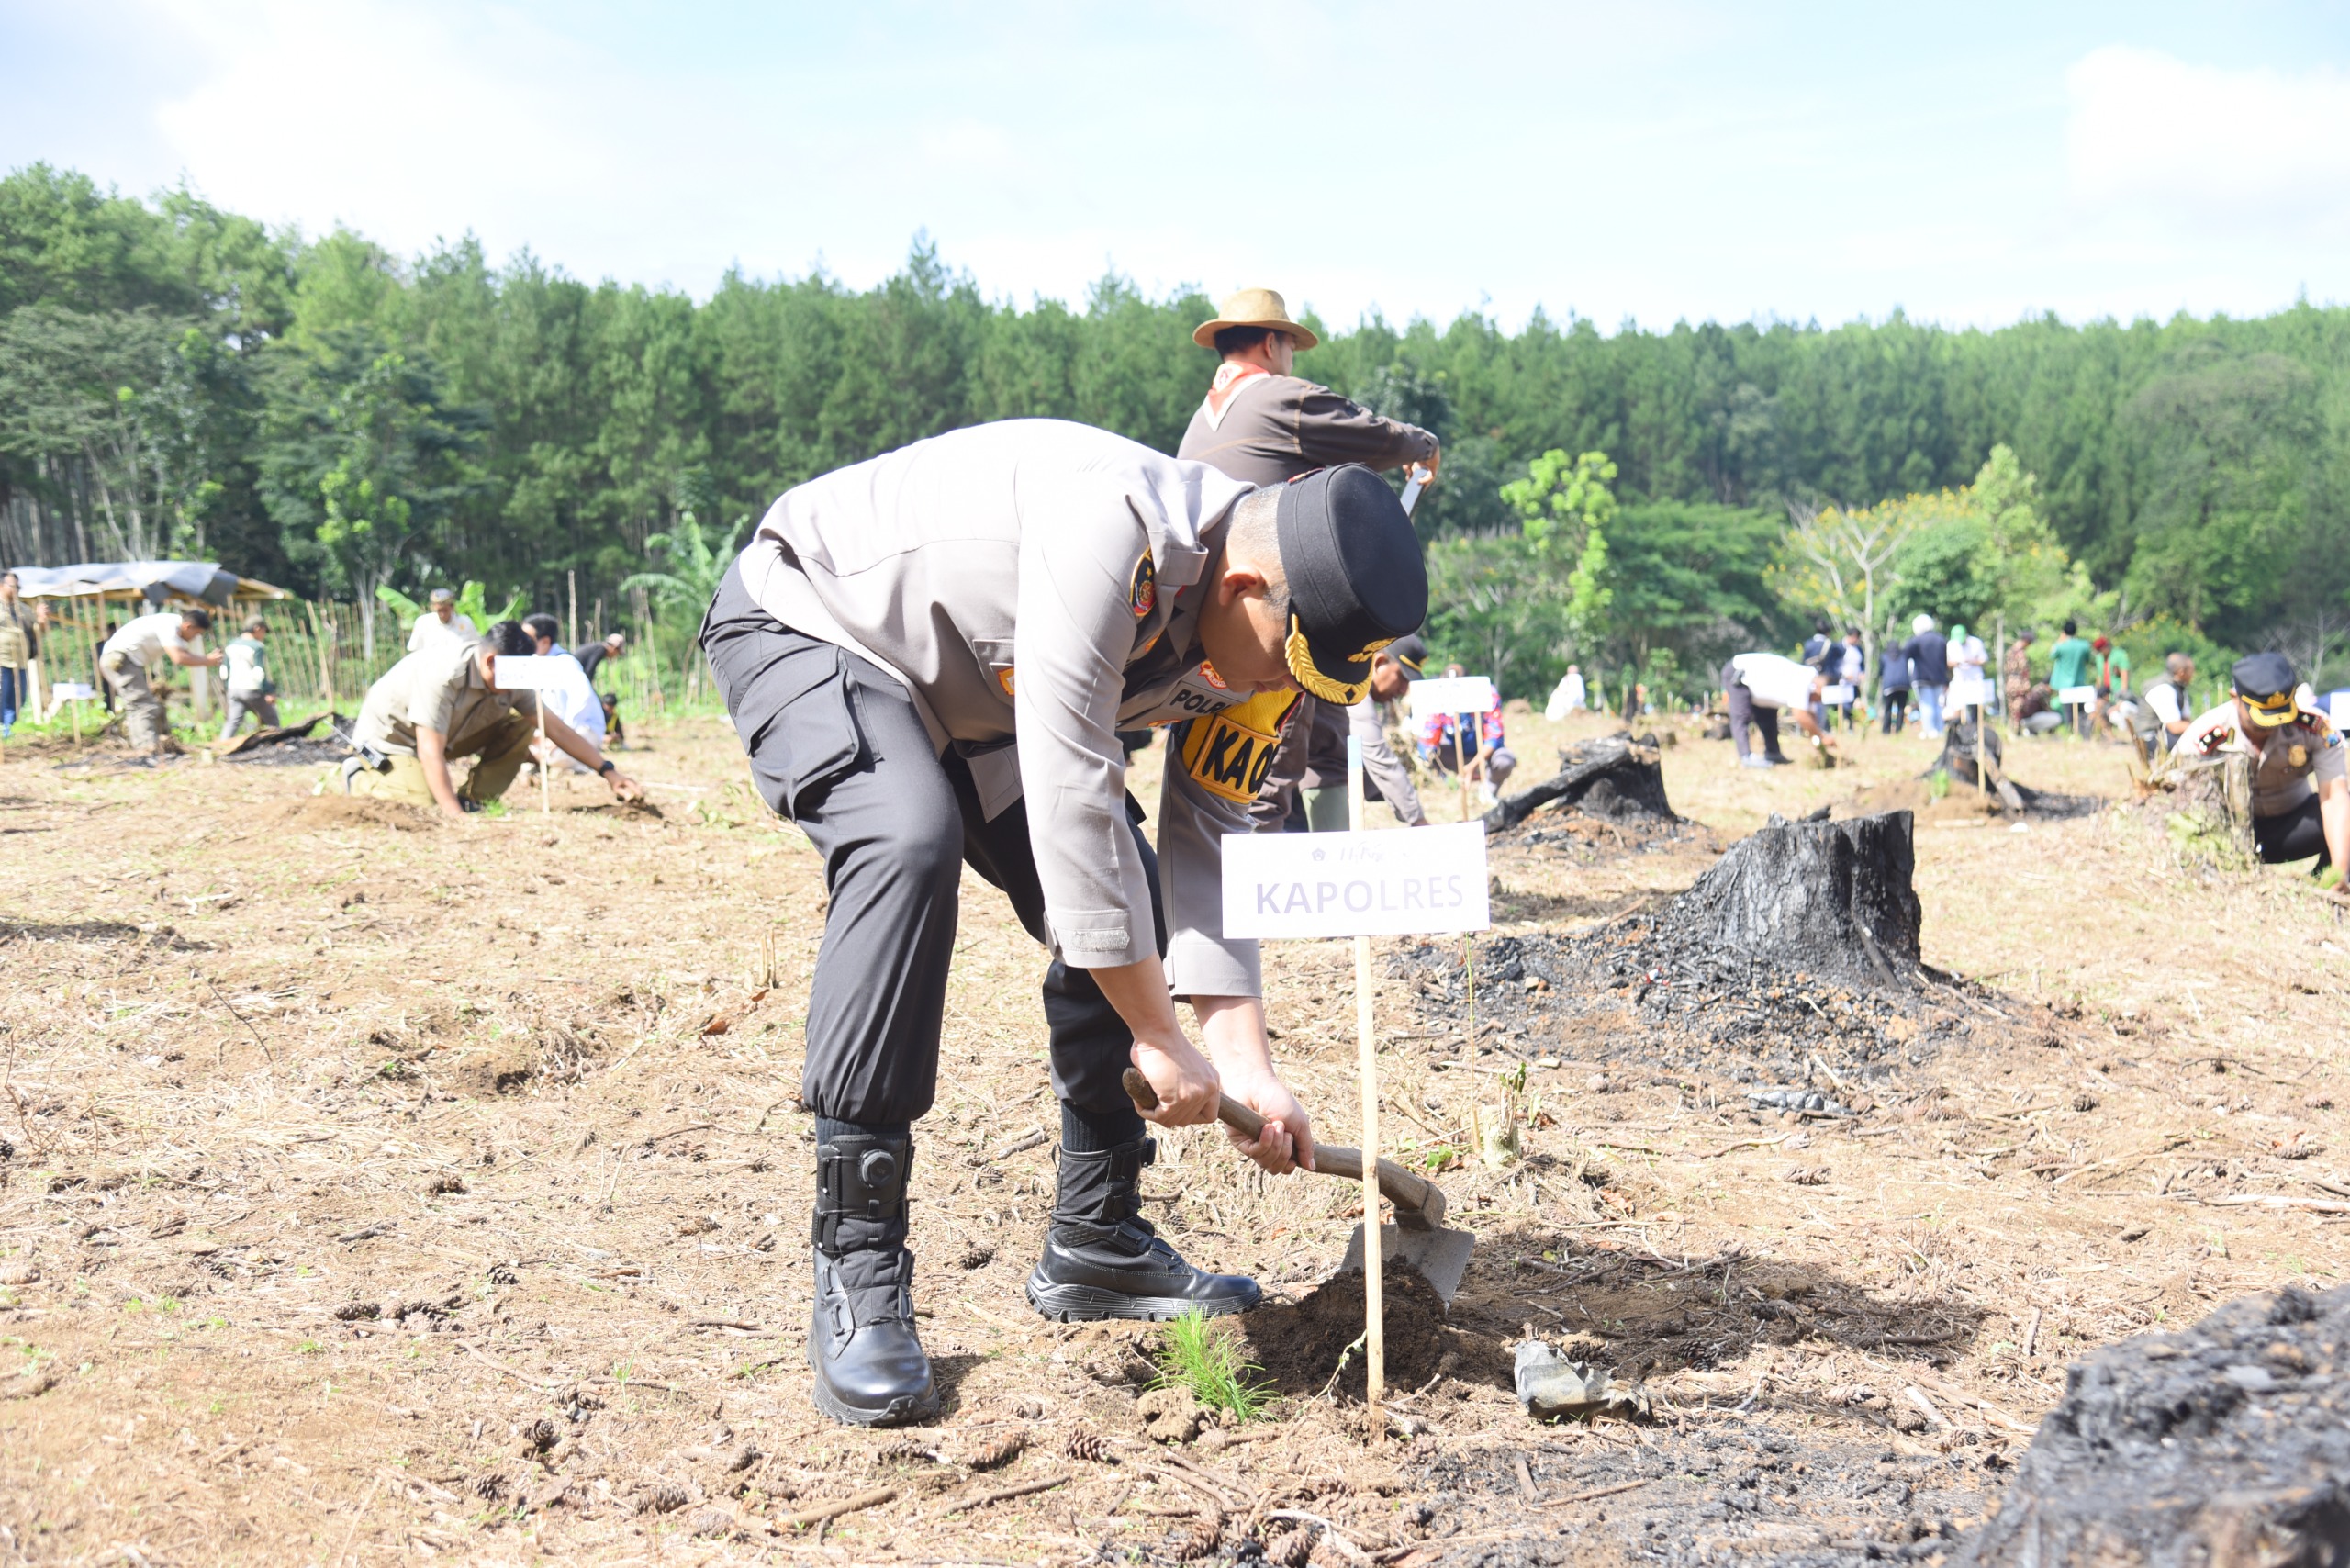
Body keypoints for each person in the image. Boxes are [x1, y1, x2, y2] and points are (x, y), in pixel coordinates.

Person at [700, 420, 1425, 1428]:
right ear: (1241, 587)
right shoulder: (1112, 531)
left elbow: (1211, 834)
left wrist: (1242, 1059)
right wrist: (1156, 1032)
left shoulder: (1266, 651)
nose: (1279, 693)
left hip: (976, 694)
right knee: (908, 838)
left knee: (1130, 895)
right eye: (1284, 665)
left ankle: (1097, 1235)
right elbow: (1073, 788)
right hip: (818, 619)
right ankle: (857, 1260)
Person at [1177, 287, 1439, 834]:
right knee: (1270, 770)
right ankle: (1275, 880)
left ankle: (1321, 869)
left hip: (1206, 623)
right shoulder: (1280, 398)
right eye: (1291, 347)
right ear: (1271, 344)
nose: (1291, 359)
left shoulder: (1196, 427)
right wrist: (1422, 444)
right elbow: (1370, 435)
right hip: (1276, 618)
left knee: (1326, 740)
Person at [342, 621, 642, 816]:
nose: (517, 683)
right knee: (423, 804)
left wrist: (609, 773)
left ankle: (474, 799)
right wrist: (453, 817)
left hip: (448, 737)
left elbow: (557, 729)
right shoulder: (444, 675)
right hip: (396, 742)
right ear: (490, 662)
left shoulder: (511, 675)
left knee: (523, 723)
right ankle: (358, 777)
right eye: (514, 674)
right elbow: (429, 750)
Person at [2175, 653, 2347, 884]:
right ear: (2235, 698)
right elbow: (2178, 802)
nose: (2271, 726)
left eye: (2280, 717)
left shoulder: (2316, 727)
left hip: (2294, 828)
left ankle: (2324, 882)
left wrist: (2339, 871)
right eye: (2262, 719)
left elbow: (2335, 797)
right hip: (2231, 835)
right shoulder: (2204, 735)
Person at [99, 606, 222, 756]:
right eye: (196, 634)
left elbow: (184, 654)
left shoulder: (173, 626)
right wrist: (207, 660)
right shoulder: (169, 626)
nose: (195, 638)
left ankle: (143, 748)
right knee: (143, 704)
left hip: (123, 660)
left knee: (138, 705)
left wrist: (205, 660)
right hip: (120, 660)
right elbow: (179, 657)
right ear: (188, 626)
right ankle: (147, 749)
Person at [1354, 633, 1428, 826]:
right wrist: (1418, 819)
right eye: (1402, 678)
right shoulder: (1353, 689)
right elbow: (1378, 757)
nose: (1403, 690)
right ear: (1379, 663)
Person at [1418, 663, 1516, 806]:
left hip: (1484, 756)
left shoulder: (1486, 693)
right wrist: (1434, 766)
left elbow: (1494, 736)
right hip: (1456, 755)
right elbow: (1429, 737)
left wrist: (1471, 767)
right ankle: (1453, 786)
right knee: (1429, 754)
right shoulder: (1440, 698)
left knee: (1504, 760)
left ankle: (1488, 788)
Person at [1723, 651, 1835, 767]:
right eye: (1819, 698)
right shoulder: (1803, 680)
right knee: (1741, 716)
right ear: (1818, 688)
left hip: (1760, 687)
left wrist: (1818, 741)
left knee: (1768, 718)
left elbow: (1810, 718)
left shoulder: (1811, 683)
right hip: (1738, 673)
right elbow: (1801, 715)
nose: (1818, 701)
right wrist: (1822, 737)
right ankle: (1746, 757)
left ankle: (1773, 753)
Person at [520, 613, 606, 766]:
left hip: (581, 729)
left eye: (528, 639)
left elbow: (583, 697)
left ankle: (581, 764)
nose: (522, 643)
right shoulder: (534, 662)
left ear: (545, 641)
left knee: (556, 756)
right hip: (552, 730)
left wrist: (562, 737)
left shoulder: (565, 663)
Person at [218, 616, 279, 738]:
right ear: (257, 628)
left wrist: (227, 688)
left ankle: (222, 744)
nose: (264, 635)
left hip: (234, 689)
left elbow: (224, 671)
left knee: (233, 722)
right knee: (272, 719)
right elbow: (259, 672)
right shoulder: (257, 646)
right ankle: (279, 742)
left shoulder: (231, 645)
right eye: (264, 631)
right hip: (251, 689)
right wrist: (269, 691)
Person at [0, 572, 39, 737]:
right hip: (2, 660)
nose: (16, 590)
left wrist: (42, 620)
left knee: (18, 698)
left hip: (20, 661)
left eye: (18, 587)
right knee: (1, 697)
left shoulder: (23, 609)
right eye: (12, 586)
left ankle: (8, 733)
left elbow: (38, 627)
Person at [1901, 613, 1950, 737]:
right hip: (1939, 677)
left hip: (1922, 678)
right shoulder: (1941, 639)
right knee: (1938, 705)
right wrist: (1946, 680)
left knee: (1926, 705)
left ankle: (1930, 730)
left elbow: (1905, 653)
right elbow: (1945, 661)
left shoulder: (1916, 640)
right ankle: (1939, 729)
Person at [2048, 620, 2096, 737]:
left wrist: (2060, 640)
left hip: (2065, 685)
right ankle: (2083, 734)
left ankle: (2071, 734)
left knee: (2068, 713)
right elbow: (2088, 659)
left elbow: (2051, 655)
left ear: (2064, 632)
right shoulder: (2084, 646)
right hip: (2080, 683)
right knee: (2081, 712)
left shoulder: (2060, 646)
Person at [406, 588, 477, 655]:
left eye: (445, 610)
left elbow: (476, 647)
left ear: (452, 607)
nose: (442, 614)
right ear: (433, 608)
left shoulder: (466, 622)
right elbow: (414, 652)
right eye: (439, 611)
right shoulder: (423, 623)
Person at [2004, 631, 2036, 734]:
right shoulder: (2021, 654)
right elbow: (2024, 670)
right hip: (2019, 683)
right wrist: (2026, 685)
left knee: (2012, 707)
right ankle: (2016, 730)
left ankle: (2012, 729)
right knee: (2018, 707)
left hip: (2010, 682)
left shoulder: (2009, 652)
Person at [1878, 637, 1913, 734]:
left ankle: (1886, 730)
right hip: (1904, 685)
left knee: (1888, 708)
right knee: (1901, 708)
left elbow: (1880, 672)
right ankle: (1898, 730)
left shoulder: (1884, 656)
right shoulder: (1904, 655)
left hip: (1889, 686)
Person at [1837, 631, 1866, 729]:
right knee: (1845, 705)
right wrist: (1844, 675)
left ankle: (1851, 725)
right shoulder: (1840, 647)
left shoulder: (1858, 649)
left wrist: (1862, 673)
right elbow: (1836, 665)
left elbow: (1862, 664)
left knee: (1854, 703)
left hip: (1855, 682)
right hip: (1843, 682)